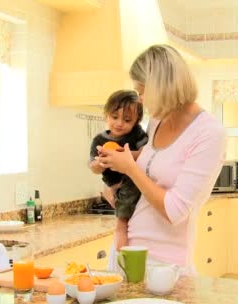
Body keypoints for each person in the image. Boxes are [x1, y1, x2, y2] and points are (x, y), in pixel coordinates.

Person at [95, 45, 226, 274]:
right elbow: (153, 160)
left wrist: (130, 168)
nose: (141, 100)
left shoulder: (209, 133)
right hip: (126, 252)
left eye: (142, 91)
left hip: (165, 264)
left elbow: (175, 211)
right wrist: (117, 157)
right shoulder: (158, 120)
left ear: (161, 88)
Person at [89, 90, 148, 251]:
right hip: (113, 183)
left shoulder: (137, 134)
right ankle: (121, 226)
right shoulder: (99, 140)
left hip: (132, 180)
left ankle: (121, 225)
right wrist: (100, 163)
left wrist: (125, 155)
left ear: (136, 121)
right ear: (106, 115)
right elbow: (93, 167)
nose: (119, 123)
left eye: (127, 120)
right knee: (121, 196)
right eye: (115, 117)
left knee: (129, 191)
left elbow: (147, 153)